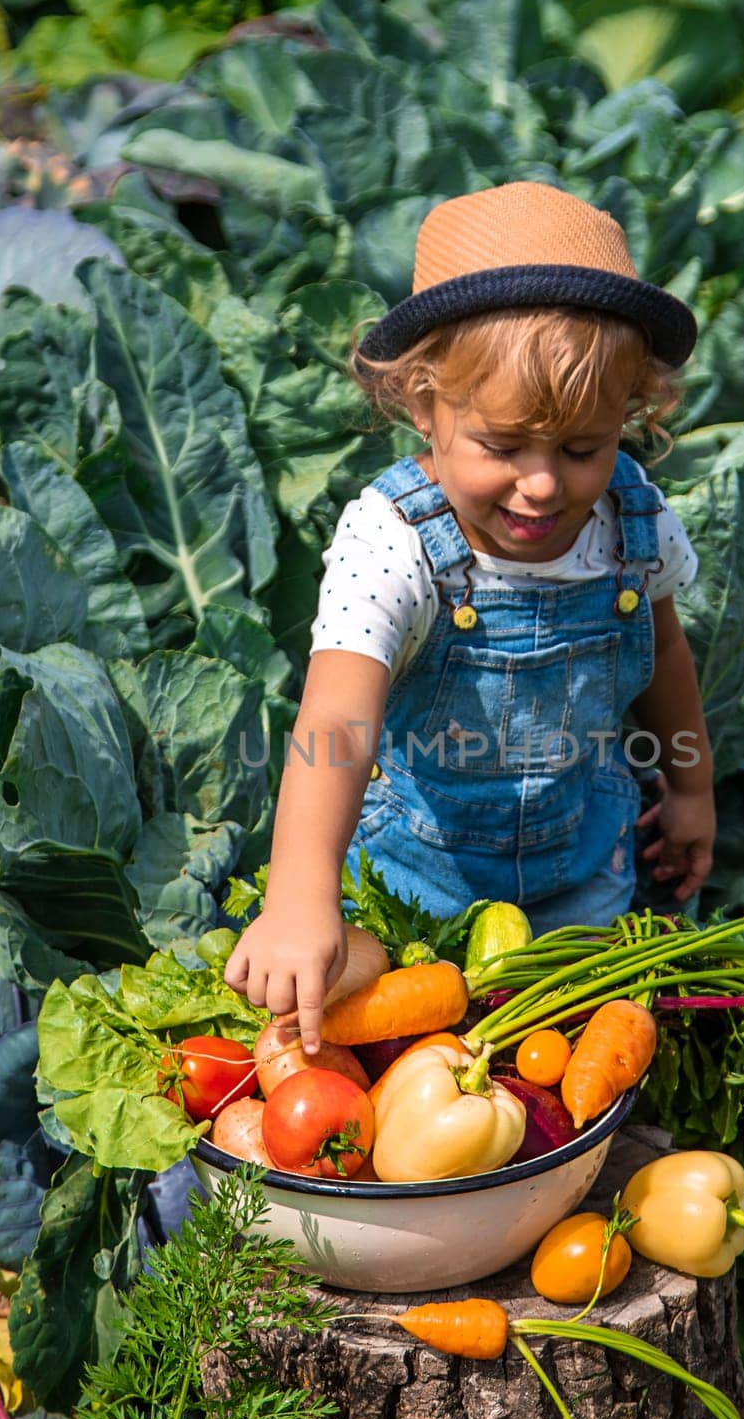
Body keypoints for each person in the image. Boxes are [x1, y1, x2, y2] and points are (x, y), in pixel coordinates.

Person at [224, 181, 715, 1052]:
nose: (541, 484)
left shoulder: (632, 526)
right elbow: (336, 720)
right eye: (501, 445)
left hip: (580, 867)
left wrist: (688, 789)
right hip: (417, 877)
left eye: (581, 449)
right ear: (422, 403)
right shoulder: (394, 539)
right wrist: (299, 898)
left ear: (630, 415)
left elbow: (664, 659)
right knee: (402, 1064)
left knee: (568, 1063)